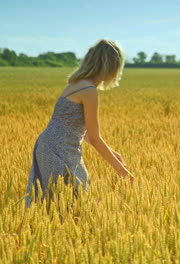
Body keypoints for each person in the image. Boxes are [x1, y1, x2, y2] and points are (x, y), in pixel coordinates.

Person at [25, 39, 135, 208]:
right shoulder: (89, 91)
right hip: (61, 150)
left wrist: (113, 153)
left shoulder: (75, 84)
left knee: (51, 202)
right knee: (73, 200)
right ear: (110, 66)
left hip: (47, 145)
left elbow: (77, 130)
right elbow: (95, 137)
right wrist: (122, 171)